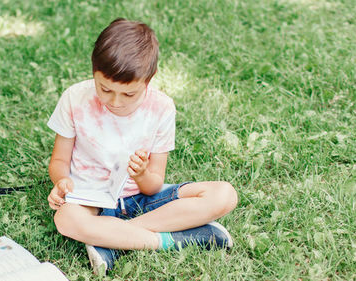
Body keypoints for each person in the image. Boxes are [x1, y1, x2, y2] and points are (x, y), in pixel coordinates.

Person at [45, 18, 238, 275]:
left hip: (144, 199)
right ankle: (172, 240)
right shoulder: (74, 98)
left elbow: (154, 184)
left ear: (148, 80)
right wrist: (61, 182)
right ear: (93, 72)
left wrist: (142, 174)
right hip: (92, 201)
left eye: (129, 94)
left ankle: (113, 241)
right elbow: (59, 161)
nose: (115, 101)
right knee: (65, 218)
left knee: (224, 194)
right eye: (104, 89)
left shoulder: (161, 108)